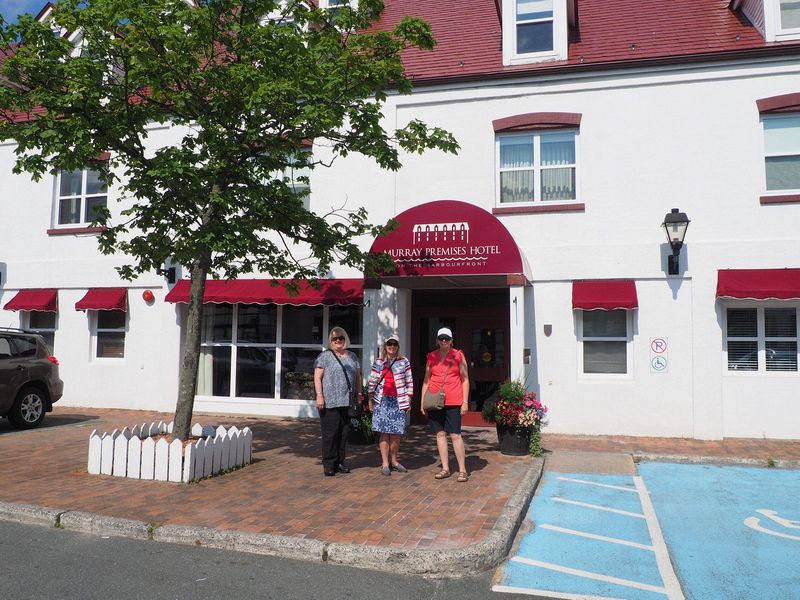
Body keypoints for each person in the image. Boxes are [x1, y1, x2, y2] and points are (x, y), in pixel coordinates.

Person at [420, 327, 470, 483]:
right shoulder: (431, 357)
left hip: (453, 400)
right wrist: (422, 402)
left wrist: (465, 402)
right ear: (437, 340)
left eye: (446, 339)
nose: (444, 341)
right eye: (441, 339)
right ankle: (445, 468)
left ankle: (462, 470)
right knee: (440, 434)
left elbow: (465, 379)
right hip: (435, 400)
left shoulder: (458, 355)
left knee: (455, 435)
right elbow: (426, 381)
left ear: (451, 341)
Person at [314, 327, 363, 477]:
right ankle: (329, 464)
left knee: (343, 434)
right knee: (330, 434)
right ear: (331, 341)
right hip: (330, 401)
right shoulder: (325, 356)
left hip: (347, 400)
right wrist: (319, 395)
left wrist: (359, 393)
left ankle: (340, 462)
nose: (338, 341)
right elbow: (317, 377)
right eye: (335, 339)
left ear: (345, 339)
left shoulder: (353, 356)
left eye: (340, 338)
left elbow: (358, 377)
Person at [367, 334, 414, 476]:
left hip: (398, 400)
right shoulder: (379, 362)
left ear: (398, 347)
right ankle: (385, 463)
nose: (391, 347)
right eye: (389, 344)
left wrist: (409, 401)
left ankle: (394, 460)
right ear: (385, 347)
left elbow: (409, 382)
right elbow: (372, 382)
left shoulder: (404, 361)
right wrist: (370, 401)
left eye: (394, 345)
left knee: (395, 434)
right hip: (382, 400)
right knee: (384, 432)